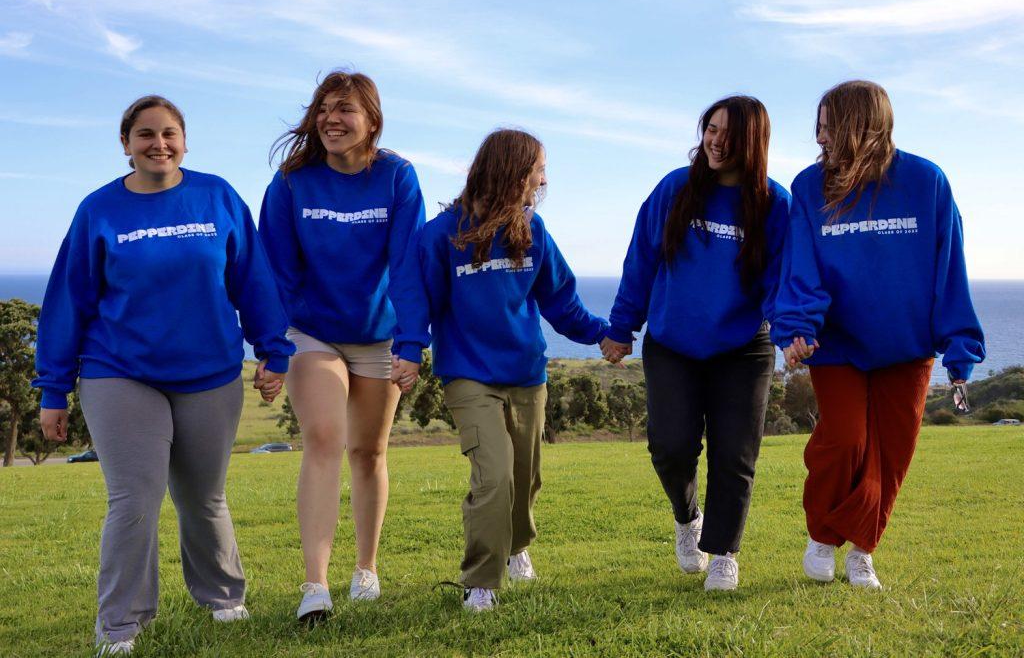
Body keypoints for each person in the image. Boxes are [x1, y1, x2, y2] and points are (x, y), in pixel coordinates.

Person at [33, 95, 293, 656]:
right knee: (134, 499)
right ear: (125, 145)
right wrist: (53, 389)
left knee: (204, 496)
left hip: (210, 371)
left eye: (169, 133)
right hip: (119, 371)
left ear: (185, 140)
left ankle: (223, 598)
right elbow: (67, 303)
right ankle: (120, 625)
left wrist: (274, 352)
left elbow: (253, 279)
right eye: (145, 134)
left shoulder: (217, 195)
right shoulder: (98, 211)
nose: (159, 144)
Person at [772, 80, 985, 589]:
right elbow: (799, 264)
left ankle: (863, 548)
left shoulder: (926, 181)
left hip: (905, 345)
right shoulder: (808, 187)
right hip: (837, 341)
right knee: (844, 439)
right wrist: (797, 327)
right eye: (817, 127)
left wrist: (960, 347)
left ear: (857, 126)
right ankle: (823, 535)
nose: (818, 137)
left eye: (827, 126)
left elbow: (949, 266)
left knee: (892, 451)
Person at [412, 129, 610, 611]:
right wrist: (407, 350)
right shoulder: (441, 235)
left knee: (525, 477)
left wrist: (604, 334)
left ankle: (517, 545)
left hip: (525, 374)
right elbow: (419, 302)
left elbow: (561, 301)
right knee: (494, 477)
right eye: (538, 168)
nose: (543, 178)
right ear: (512, 172)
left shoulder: (532, 230)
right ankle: (481, 580)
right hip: (468, 375)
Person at [258, 71, 428, 620]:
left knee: (370, 451)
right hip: (312, 330)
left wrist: (411, 341)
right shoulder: (291, 183)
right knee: (325, 438)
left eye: (346, 109)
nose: (332, 118)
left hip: (378, 333)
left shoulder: (398, 177)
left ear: (372, 120)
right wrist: (273, 349)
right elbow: (276, 273)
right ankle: (315, 587)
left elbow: (407, 266)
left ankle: (366, 570)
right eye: (324, 108)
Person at [603, 96, 790, 591]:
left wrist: (790, 334)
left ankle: (725, 551)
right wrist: (622, 326)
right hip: (672, 343)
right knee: (670, 446)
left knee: (735, 453)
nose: (715, 139)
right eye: (710, 127)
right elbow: (640, 258)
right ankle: (688, 520)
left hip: (743, 348)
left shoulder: (775, 203)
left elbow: (777, 282)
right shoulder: (674, 189)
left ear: (753, 142)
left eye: (728, 133)